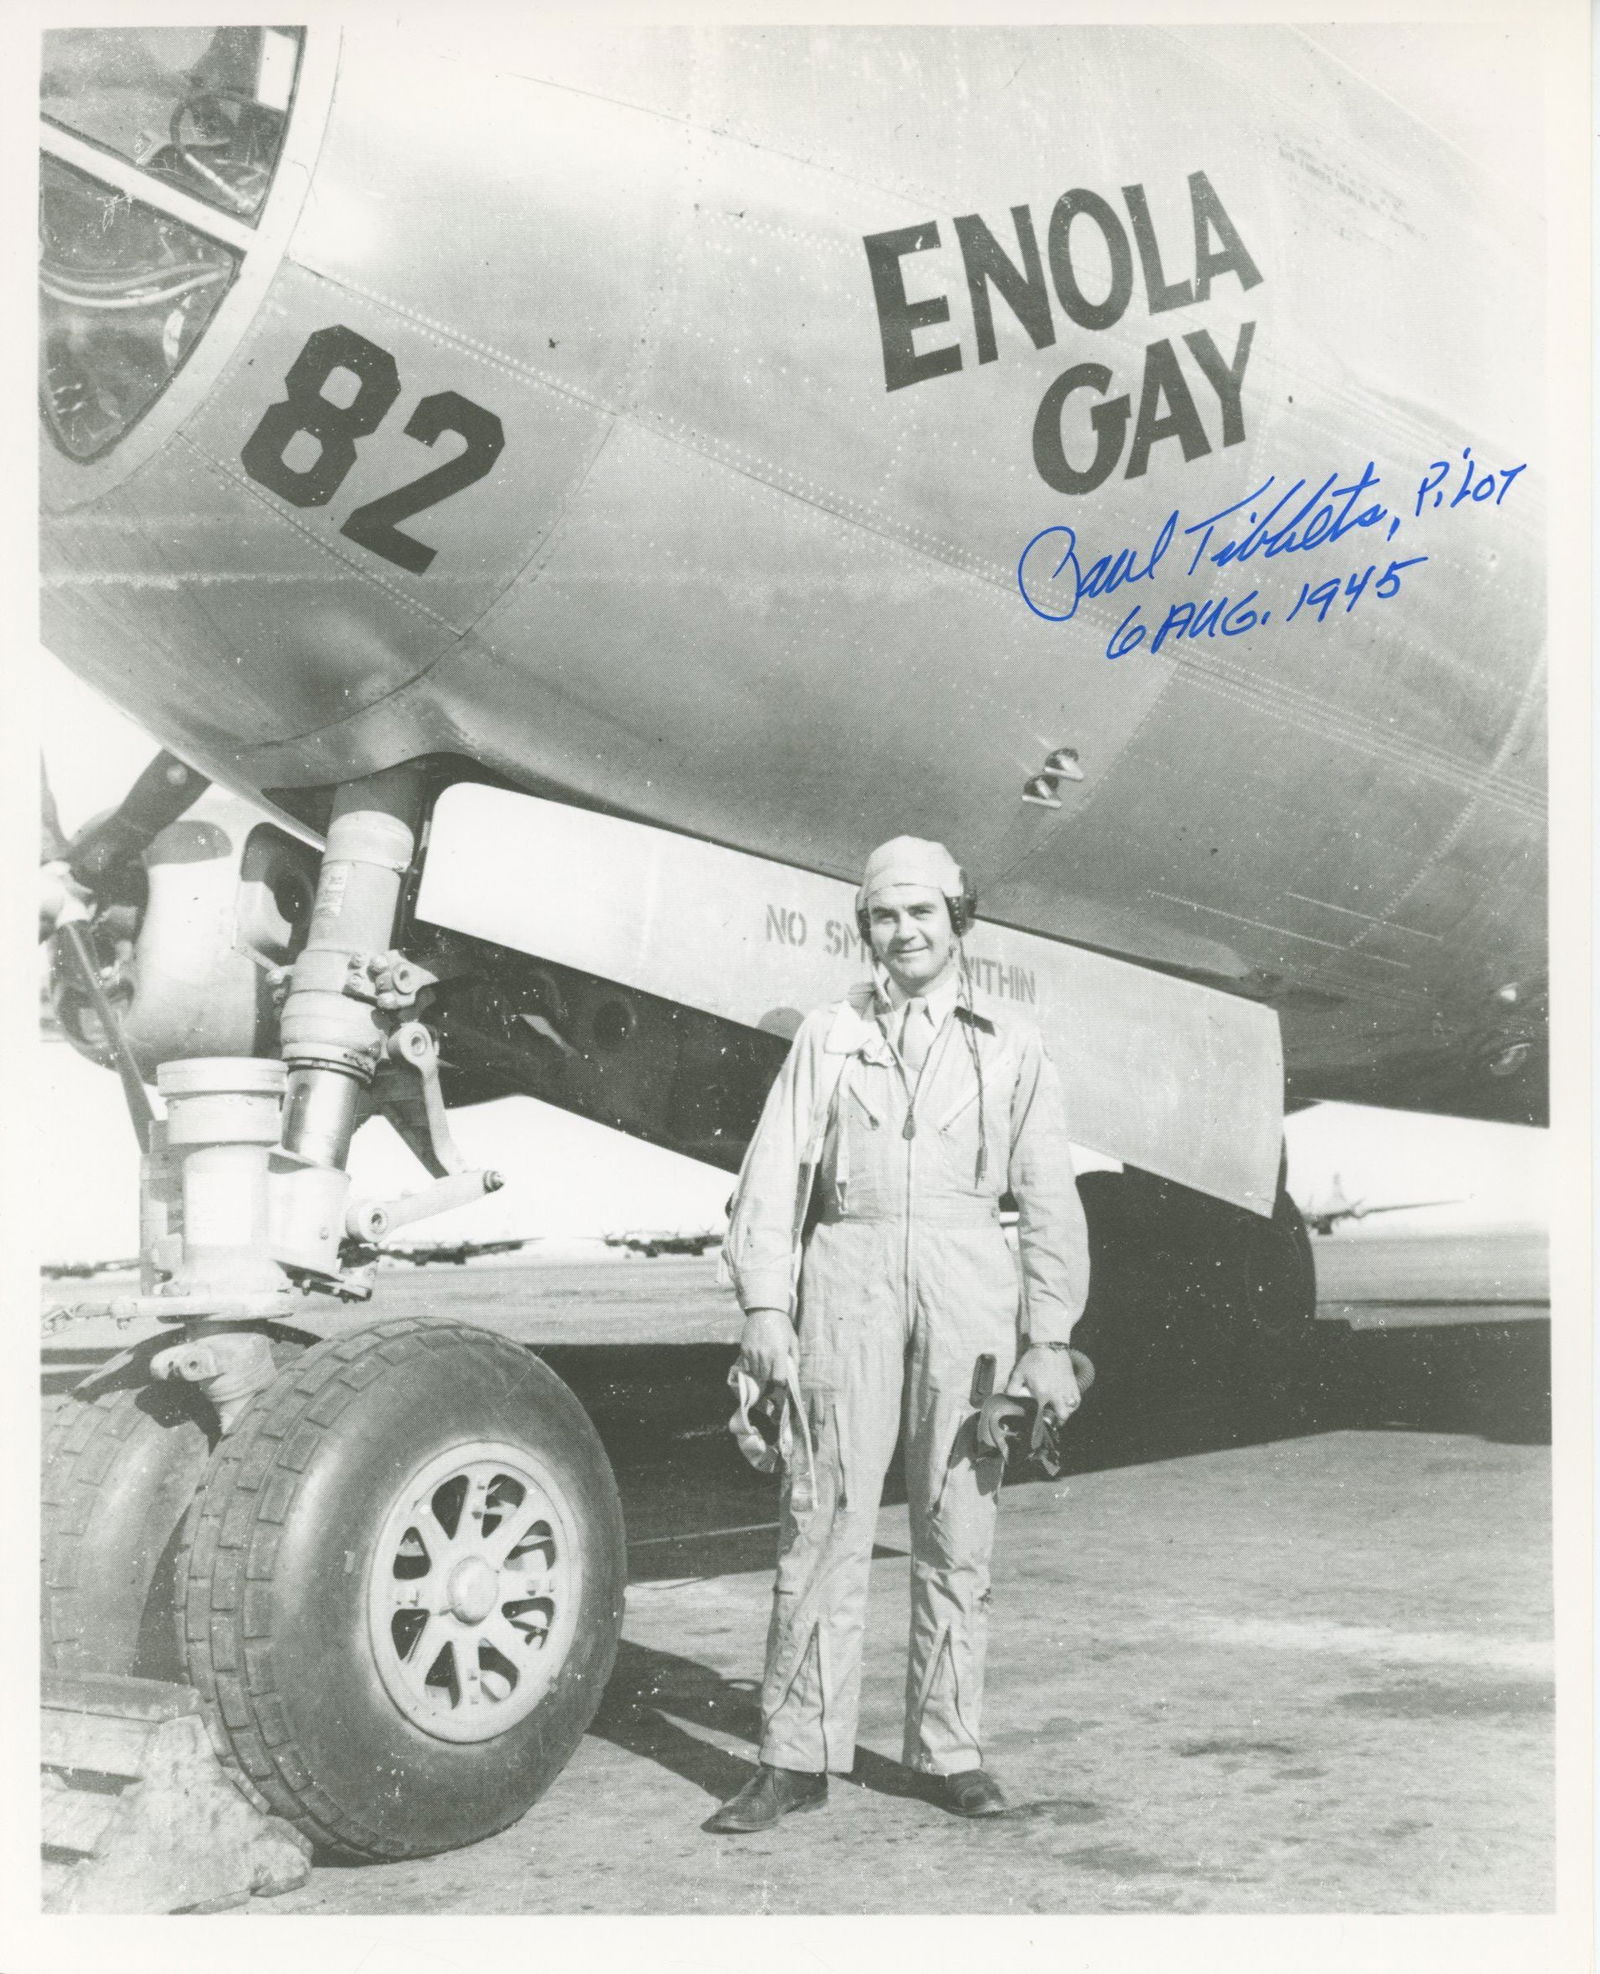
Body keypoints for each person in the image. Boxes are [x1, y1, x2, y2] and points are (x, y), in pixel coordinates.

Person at [708, 836, 1090, 1833]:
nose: (903, 931)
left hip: (970, 1288)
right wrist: (763, 1307)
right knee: (820, 1515)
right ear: (864, 928)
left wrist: (1048, 1336)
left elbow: (1049, 1199)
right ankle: (794, 1756)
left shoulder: (1011, 1046)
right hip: (848, 1279)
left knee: (957, 1524)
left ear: (958, 921)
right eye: (884, 915)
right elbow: (774, 1174)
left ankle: (949, 1749)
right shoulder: (828, 1038)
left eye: (922, 912)